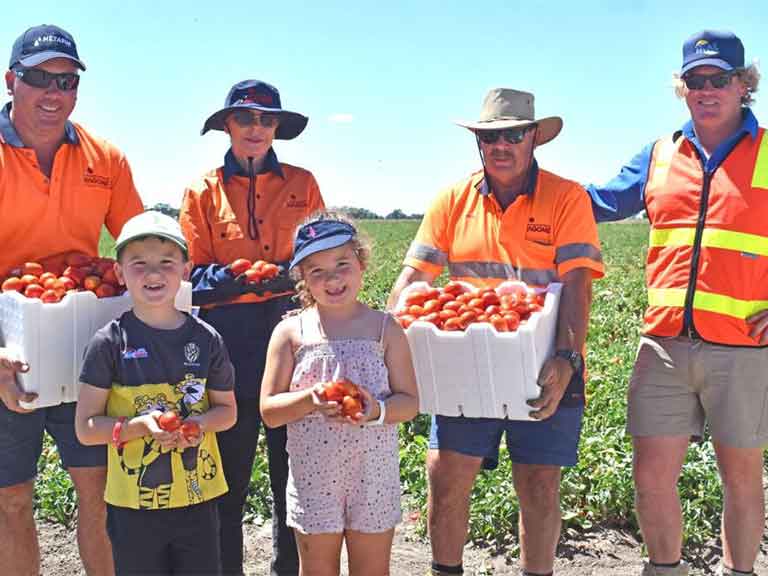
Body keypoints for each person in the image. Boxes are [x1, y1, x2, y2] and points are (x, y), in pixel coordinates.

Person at [387, 88, 604, 576]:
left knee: (540, 483)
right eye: (489, 137)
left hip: (545, 361)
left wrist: (568, 360)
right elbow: (414, 279)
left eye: (512, 134)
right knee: (445, 476)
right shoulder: (453, 200)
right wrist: (385, 333)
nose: (500, 145)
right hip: (466, 361)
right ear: (478, 143)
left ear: (533, 139)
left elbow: (576, 284)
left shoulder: (565, 197)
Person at [586, 30, 766, 576]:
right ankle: (665, 570)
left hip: (743, 347)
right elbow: (600, 202)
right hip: (662, 346)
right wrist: (529, 178)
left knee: (740, 477)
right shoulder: (661, 154)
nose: (706, 89)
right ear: (682, 89)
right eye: (695, 80)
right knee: (650, 475)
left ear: (743, 85)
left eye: (719, 79)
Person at [0, 24, 143, 576]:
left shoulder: (103, 158)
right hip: (7, 341)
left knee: (100, 489)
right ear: (12, 80)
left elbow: (138, 243)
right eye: (38, 78)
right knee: (10, 498)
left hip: (83, 340)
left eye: (66, 80)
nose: (53, 92)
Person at [179, 79, 325, 576]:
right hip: (229, 339)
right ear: (227, 126)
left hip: (293, 334)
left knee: (294, 471)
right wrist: (234, 275)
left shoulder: (302, 184)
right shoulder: (202, 191)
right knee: (228, 473)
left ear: (277, 128)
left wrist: (286, 275)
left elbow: (319, 257)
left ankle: (289, 569)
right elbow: (190, 276)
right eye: (245, 118)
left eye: (266, 120)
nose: (256, 128)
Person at [74, 210, 237, 575]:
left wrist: (194, 426)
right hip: (133, 505)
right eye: (138, 263)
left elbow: (227, 412)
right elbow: (85, 427)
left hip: (197, 498)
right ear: (119, 272)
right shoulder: (108, 344)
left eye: (166, 262)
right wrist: (138, 427)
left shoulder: (207, 339)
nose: (153, 274)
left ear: (185, 269)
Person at [260, 212, 419, 576]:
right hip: (313, 480)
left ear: (361, 263)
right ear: (302, 278)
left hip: (373, 477)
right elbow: (269, 411)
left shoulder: (385, 329)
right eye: (316, 271)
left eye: (342, 264)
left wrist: (375, 410)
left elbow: (409, 402)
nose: (332, 278)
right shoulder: (290, 333)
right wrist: (309, 400)